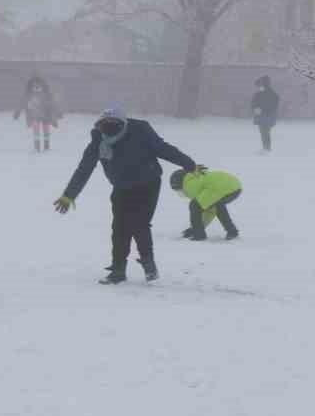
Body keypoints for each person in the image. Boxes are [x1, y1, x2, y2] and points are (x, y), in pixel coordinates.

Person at [54, 106, 198, 284]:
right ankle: (118, 270)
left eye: (113, 124)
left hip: (148, 183)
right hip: (122, 186)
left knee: (139, 223)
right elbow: (84, 169)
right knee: (119, 227)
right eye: (104, 124)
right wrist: (69, 196)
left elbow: (163, 149)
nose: (108, 128)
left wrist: (189, 165)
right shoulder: (99, 141)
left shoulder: (141, 131)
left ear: (123, 124)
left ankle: (148, 263)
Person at [171, 167, 242, 241]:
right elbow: (209, 209)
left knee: (194, 205)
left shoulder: (188, 184)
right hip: (235, 187)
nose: (181, 193)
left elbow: (198, 207)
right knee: (217, 205)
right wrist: (197, 227)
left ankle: (199, 235)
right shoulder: (197, 179)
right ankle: (232, 231)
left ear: (179, 183)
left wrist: (195, 229)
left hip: (218, 188)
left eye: (179, 190)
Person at [14, 75, 60, 153]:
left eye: (38, 86)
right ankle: (37, 146)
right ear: (32, 87)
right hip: (34, 115)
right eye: (35, 86)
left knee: (45, 129)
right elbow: (22, 103)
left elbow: (53, 104)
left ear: (42, 86)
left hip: (46, 114)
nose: (37, 88)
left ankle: (46, 146)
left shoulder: (47, 95)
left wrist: (58, 112)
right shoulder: (29, 95)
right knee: (36, 128)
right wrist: (17, 112)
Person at [251, 76, 280, 153]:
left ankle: (266, 148)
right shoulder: (263, 93)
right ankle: (266, 147)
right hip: (265, 116)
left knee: (264, 132)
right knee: (264, 132)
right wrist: (255, 108)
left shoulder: (266, 93)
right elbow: (254, 102)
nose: (258, 87)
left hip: (266, 116)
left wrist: (259, 109)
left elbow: (274, 103)